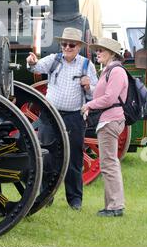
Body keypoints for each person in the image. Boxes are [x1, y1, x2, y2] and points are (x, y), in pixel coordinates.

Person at [26, 27, 98, 210]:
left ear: (79, 46)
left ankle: (75, 200)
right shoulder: (54, 60)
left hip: (74, 117)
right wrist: (31, 61)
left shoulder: (86, 65)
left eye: (71, 45)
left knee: (74, 159)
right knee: (47, 157)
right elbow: (35, 66)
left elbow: (94, 96)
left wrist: (89, 87)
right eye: (64, 44)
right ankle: (45, 196)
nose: (67, 47)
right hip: (50, 115)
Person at [81, 37, 128, 217]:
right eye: (97, 50)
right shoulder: (108, 70)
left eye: (101, 50)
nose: (97, 52)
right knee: (108, 163)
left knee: (109, 164)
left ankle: (115, 206)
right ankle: (111, 206)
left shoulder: (116, 71)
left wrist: (88, 105)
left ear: (112, 53)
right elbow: (101, 94)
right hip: (108, 120)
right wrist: (89, 88)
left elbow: (109, 98)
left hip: (110, 121)